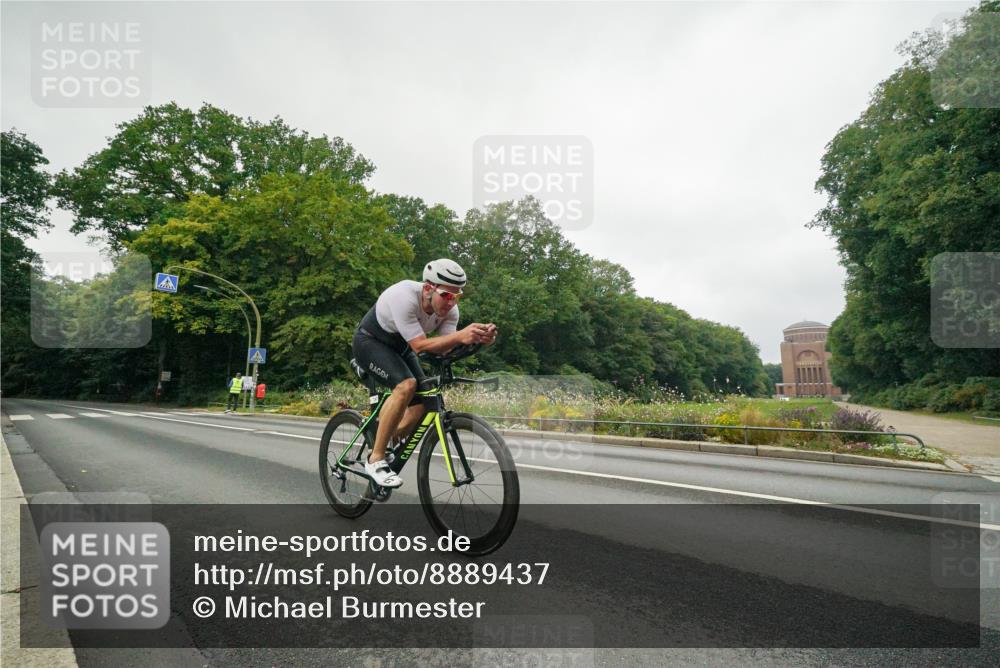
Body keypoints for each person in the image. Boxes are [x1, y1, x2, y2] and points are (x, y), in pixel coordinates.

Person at [352, 259, 497, 487]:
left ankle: (386, 437)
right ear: (428, 288)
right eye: (446, 296)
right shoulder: (404, 297)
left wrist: (476, 340)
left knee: (422, 402)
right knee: (406, 385)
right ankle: (375, 458)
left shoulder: (450, 312)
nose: (451, 303)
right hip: (371, 342)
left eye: (456, 296)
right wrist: (461, 336)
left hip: (402, 346)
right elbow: (420, 346)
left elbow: (445, 346)